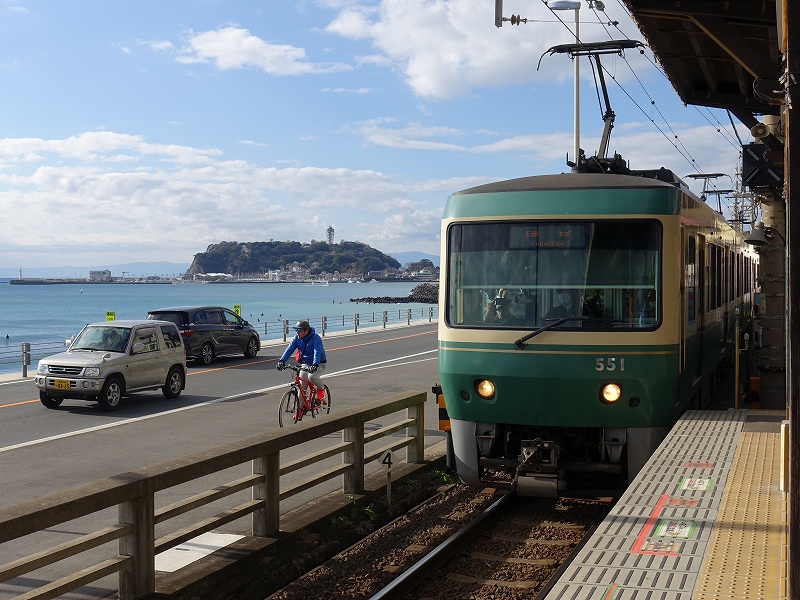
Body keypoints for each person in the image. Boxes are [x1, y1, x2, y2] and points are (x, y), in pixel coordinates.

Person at [276, 320, 327, 401]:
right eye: (296, 330)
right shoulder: (297, 338)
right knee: (302, 390)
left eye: (299, 330)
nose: (297, 332)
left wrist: (315, 364)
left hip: (319, 363)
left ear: (306, 331)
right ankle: (300, 411)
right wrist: (281, 361)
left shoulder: (315, 338)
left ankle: (321, 389)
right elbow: (289, 349)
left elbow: (317, 352)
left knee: (312, 377)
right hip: (306, 364)